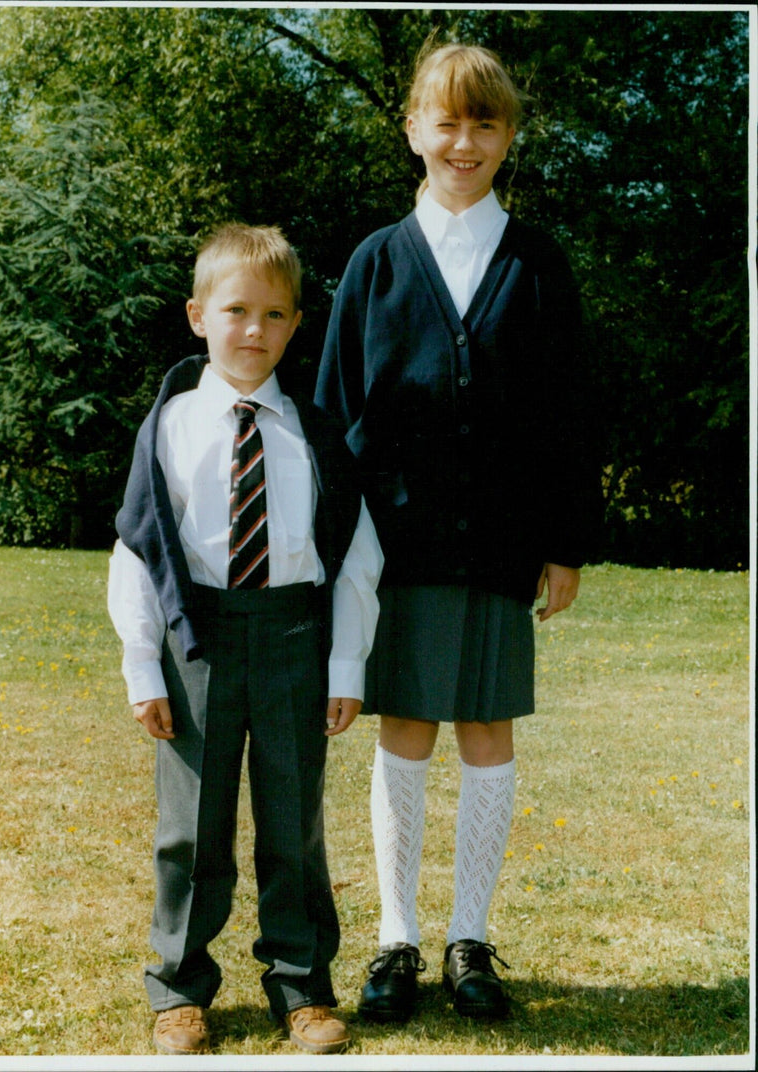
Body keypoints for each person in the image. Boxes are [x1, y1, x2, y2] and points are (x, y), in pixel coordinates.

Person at [315, 41, 600, 1025]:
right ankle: (395, 938)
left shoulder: (536, 262)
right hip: (392, 550)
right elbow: (332, 410)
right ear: (411, 129)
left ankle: (467, 937)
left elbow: (568, 412)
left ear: (506, 137)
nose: (462, 139)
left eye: (484, 123)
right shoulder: (374, 264)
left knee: (485, 730)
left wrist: (562, 540)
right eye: (444, 120)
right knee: (404, 728)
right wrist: (330, 546)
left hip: (498, 541)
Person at [108, 222, 383, 1056]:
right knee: (192, 823)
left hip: (297, 635)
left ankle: (301, 985)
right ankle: (178, 986)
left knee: (292, 819)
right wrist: (142, 668)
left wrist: (344, 664)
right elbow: (140, 552)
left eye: (273, 314)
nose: (253, 330)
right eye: (235, 311)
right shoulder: (172, 429)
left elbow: (356, 556)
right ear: (198, 316)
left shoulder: (317, 435)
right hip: (201, 639)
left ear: (297, 324)